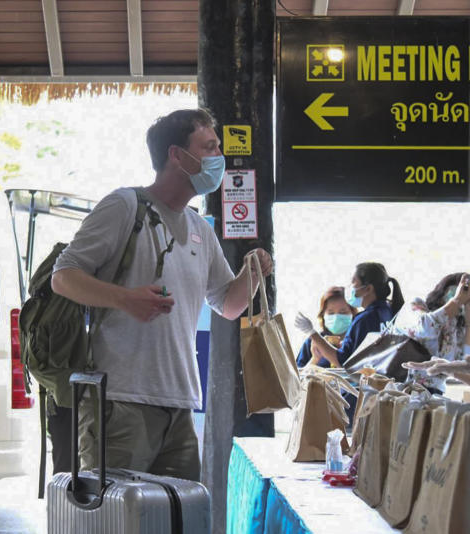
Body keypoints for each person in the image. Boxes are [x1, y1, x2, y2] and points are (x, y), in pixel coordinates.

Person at [51, 108, 273, 482]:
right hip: (120, 401)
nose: (218, 156)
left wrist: (251, 274)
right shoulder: (125, 206)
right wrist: (125, 299)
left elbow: (228, 305)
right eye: (209, 146)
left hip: (181, 405)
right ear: (176, 155)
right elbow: (63, 276)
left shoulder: (200, 228)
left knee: (175, 520)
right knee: (113, 520)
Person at [295, 262, 404, 368]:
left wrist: (312, 333)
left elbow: (342, 362)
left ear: (368, 289)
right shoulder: (387, 310)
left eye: (353, 283)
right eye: (331, 312)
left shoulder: (364, 319)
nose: (350, 287)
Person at [392, 273, 470, 394]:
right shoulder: (416, 306)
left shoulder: (458, 326)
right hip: (399, 385)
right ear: (443, 290)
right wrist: (456, 301)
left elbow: (464, 362)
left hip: (432, 393)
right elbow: (425, 328)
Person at [296, 286, 357, 368]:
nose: (336, 317)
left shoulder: (358, 340)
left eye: (343, 312)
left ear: (353, 313)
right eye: (331, 313)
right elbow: (297, 376)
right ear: (323, 315)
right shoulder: (313, 341)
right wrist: (314, 359)